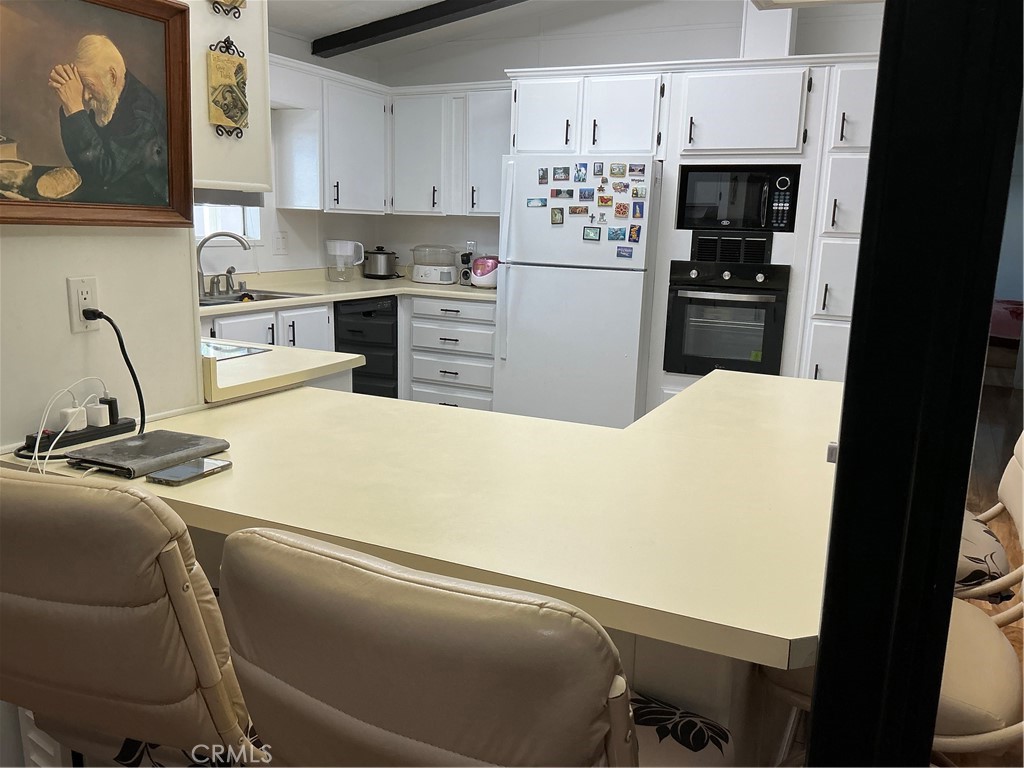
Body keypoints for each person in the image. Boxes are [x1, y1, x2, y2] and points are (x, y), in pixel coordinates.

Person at [48, 35, 168, 205]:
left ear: (112, 76)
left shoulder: (141, 115)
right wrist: (69, 107)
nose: (85, 96)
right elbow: (84, 161)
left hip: (138, 206)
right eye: (82, 86)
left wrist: (74, 108)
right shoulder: (110, 96)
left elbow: (103, 172)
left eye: (89, 85)